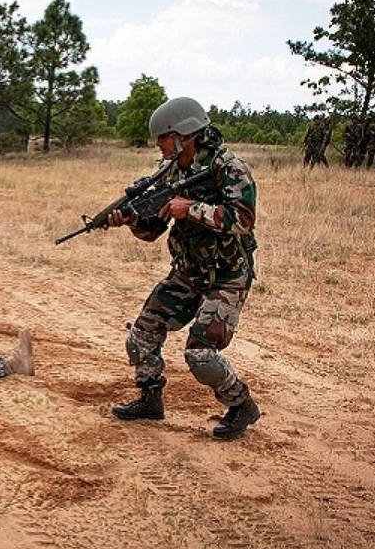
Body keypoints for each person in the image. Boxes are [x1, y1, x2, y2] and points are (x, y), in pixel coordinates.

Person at [105, 97, 260, 439]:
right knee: (141, 336)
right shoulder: (172, 171)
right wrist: (130, 220)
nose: (158, 144)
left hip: (227, 276)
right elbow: (152, 230)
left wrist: (190, 209)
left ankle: (241, 405)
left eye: (162, 137)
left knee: (201, 355)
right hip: (188, 272)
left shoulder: (230, 167)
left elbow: (242, 220)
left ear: (184, 135)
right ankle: (150, 399)